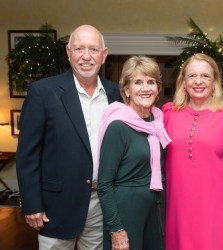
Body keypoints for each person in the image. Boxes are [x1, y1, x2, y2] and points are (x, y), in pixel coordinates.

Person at [16, 25, 122, 249]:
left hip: (100, 204)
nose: (86, 56)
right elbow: (28, 155)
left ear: (104, 55)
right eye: (79, 48)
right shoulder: (43, 92)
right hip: (55, 206)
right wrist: (32, 203)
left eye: (93, 49)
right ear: (68, 52)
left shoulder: (115, 94)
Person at [163, 53, 223, 250]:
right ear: (183, 82)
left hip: (216, 212)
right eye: (192, 76)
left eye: (205, 76)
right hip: (178, 211)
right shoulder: (168, 114)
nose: (198, 81)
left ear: (215, 82)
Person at [97, 55, 171, 250]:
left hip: (155, 211)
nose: (145, 88)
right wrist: (116, 229)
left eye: (151, 82)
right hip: (126, 213)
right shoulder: (118, 127)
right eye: (138, 82)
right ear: (126, 90)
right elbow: (104, 185)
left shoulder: (158, 123)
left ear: (158, 89)